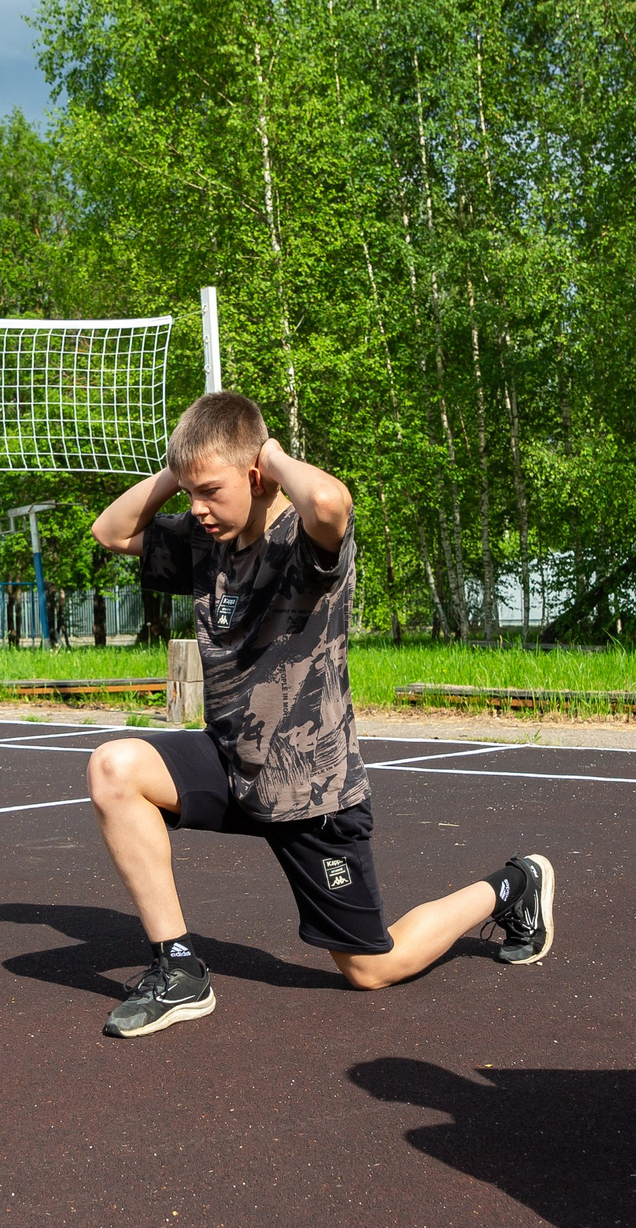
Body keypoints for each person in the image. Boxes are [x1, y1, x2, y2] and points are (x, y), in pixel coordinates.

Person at [82, 391, 555, 1039]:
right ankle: (180, 968)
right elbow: (110, 532)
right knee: (116, 767)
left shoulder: (303, 543)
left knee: (369, 969)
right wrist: (184, 468)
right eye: (189, 494)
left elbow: (331, 501)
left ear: (257, 476)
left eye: (211, 490)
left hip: (313, 787)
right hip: (232, 764)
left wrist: (267, 452)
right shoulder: (202, 541)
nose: (196, 508)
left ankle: (511, 886)